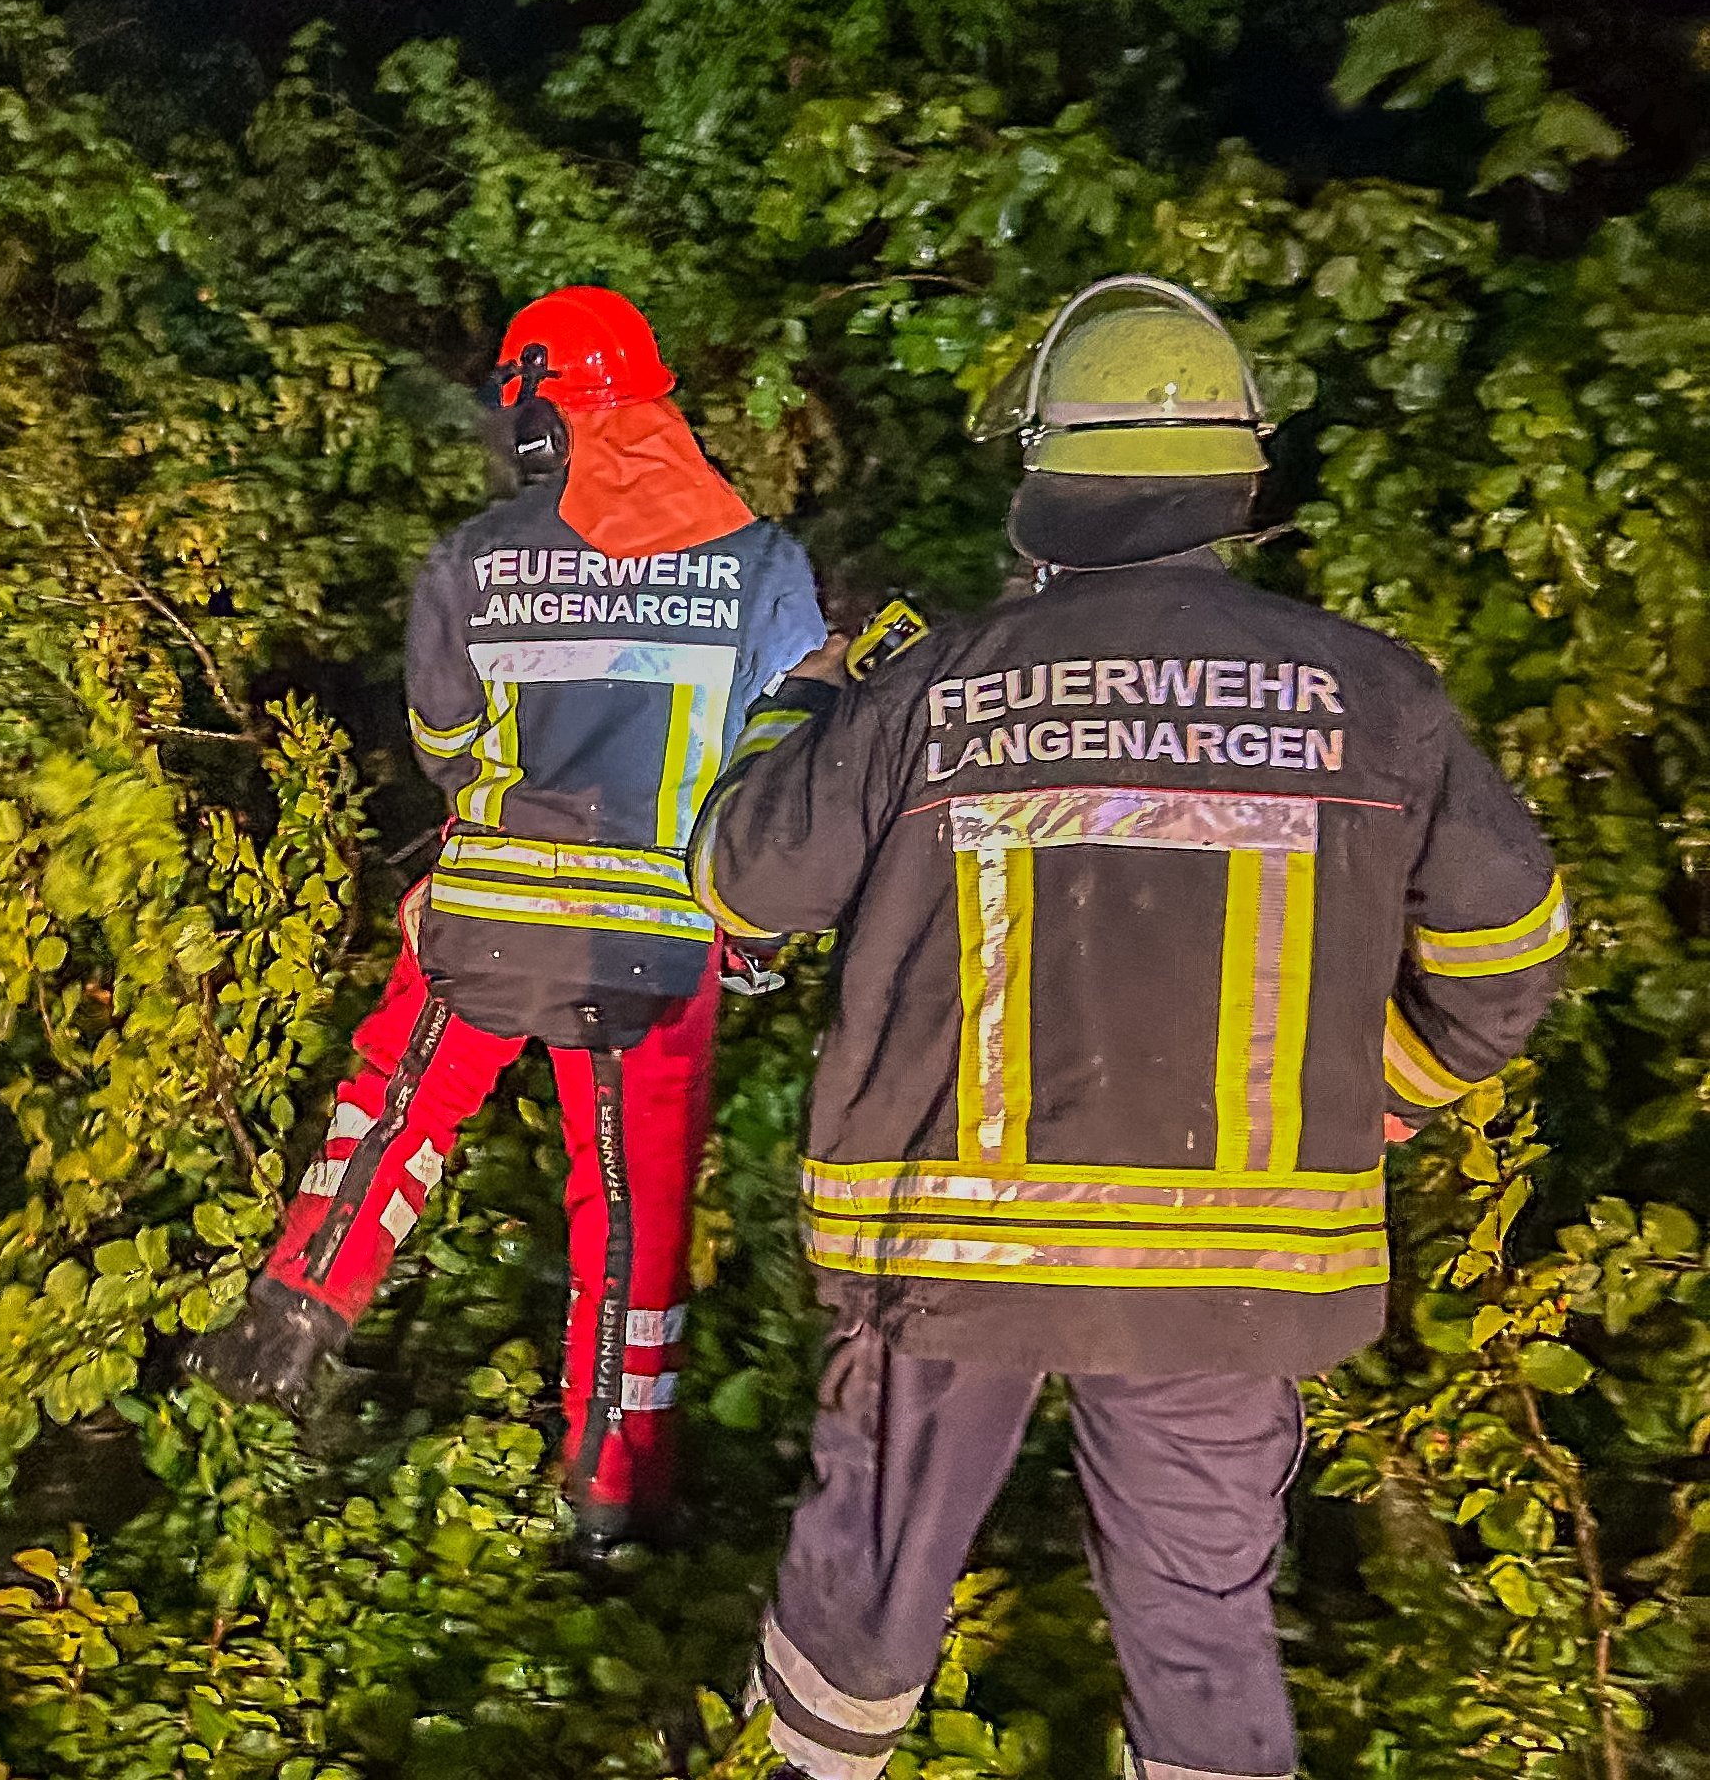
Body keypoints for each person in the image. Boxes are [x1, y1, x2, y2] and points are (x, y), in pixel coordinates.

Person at [690, 276, 1569, 1780]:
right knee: (1202, 1618)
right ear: (1235, 474)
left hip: (954, 1244)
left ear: (1046, 473)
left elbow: (745, 880)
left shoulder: (936, 688)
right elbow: (1508, 948)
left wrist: (804, 708)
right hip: (1229, 1265)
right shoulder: (1375, 696)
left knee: (873, 1577)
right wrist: (1379, 1102)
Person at [191, 286, 825, 1559]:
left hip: (483, 917)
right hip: (656, 950)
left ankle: (287, 1330)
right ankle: (608, 1498)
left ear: (538, 409)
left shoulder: (472, 559)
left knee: (395, 1106)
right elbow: (788, 764)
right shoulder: (765, 567)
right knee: (635, 1220)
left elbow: (442, 744)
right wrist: (755, 926)